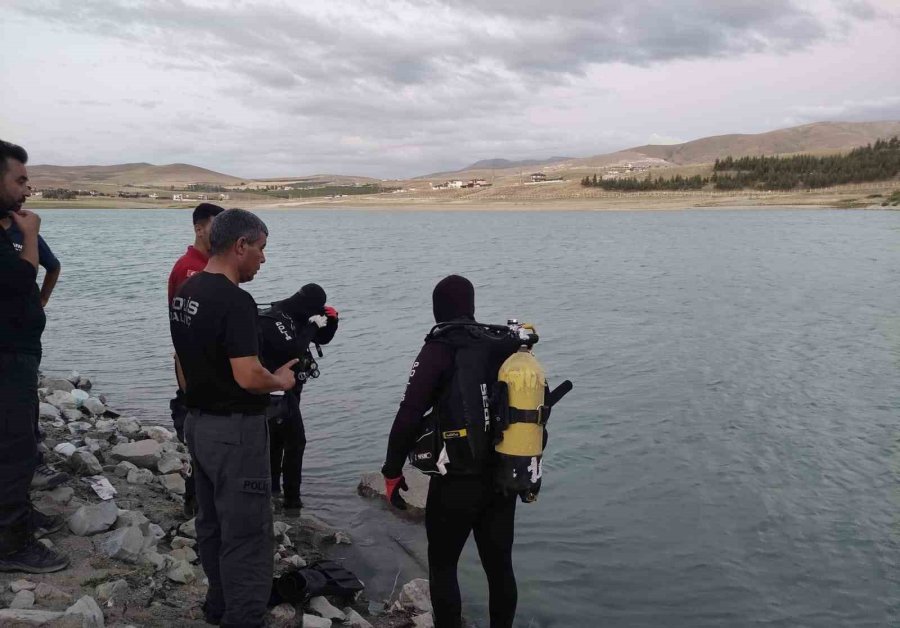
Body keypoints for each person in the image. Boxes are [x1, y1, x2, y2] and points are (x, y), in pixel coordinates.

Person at [170, 208, 297, 627]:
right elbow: (247, 375)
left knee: (211, 523)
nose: (263, 259)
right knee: (247, 534)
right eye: (261, 249)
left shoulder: (186, 290)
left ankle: (218, 605)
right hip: (235, 433)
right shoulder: (236, 301)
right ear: (240, 246)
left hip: (198, 423)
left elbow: (182, 365)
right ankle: (243, 618)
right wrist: (280, 380)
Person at [382, 275, 525, 628]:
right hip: (502, 479)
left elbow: (410, 413)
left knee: (444, 567)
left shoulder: (439, 347)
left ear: (438, 310)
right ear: (471, 307)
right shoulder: (501, 345)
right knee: (500, 567)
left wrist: (391, 471)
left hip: (457, 481)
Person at [0, 139, 69, 573]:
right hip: (6, 355)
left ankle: (18, 517)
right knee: (14, 446)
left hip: (18, 352)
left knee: (21, 437)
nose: (28, 188)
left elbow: (38, 273)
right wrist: (29, 235)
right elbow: (18, 277)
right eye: (20, 179)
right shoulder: (15, 232)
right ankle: (11, 544)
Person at [1, 190, 68, 491]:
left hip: (27, 337)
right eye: (21, 180)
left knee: (26, 399)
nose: (27, 190)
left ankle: (33, 462)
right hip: (7, 338)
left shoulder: (24, 230)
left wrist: (42, 300)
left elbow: (52, 266)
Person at [258, 283, 339, 513]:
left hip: (289, 390)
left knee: (278, 441)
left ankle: (273, 492)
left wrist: (331, 321)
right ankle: (292, 502)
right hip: (276, 391)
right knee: (295, 442)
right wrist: (313, 325)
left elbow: (321, 339)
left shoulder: (299, 313)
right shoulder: (275, 319)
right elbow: (293, 348)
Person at [167, 202, 224, 516]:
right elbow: (184, 334)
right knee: (203, 442)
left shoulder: (212, 264)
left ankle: (201, 504)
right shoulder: (190, 269)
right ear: (200, 228)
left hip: (210, 373)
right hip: (198, 375)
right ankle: (197, 505)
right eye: (218, 225)